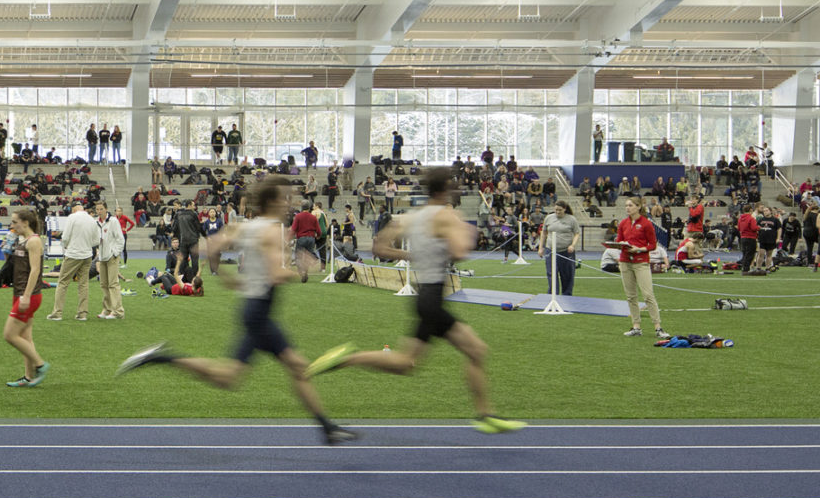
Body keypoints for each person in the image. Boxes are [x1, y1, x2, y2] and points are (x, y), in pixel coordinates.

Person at [118, 180, 357, 445]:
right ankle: (161, 357)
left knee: (250, 374)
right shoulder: (268, 232)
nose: (288, 204)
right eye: (284, 199)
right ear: (272, 203)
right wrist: (304, 266)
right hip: (259, 313)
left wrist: (226, 277)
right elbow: (275, 274)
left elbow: (208, 246)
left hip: (255, 309)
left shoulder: (250, 227)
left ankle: (327, 428)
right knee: (253, 373)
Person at [305, 167, 525, 433]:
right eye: (453, 186)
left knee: (406, 364)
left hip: (425, 297)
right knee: (476, 351)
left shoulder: (413, 216)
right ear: (444, 189)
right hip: (432, 298)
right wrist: (464, 234)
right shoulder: (447, 216)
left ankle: (349, 357)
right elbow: (460, 252)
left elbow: (379, 248)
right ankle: (486, 415)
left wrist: (413, 256)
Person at [3, 208, 48, 388]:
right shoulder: (23, 240)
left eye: (15, 222)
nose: (12, 225)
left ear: (26, 223)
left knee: (9, 335)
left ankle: (40, 364)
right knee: (25, 338)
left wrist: (27, 296)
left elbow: (35, 270)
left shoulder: (34, 241)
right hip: (20, 294)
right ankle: (29, 377)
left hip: (28, 295)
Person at [615, 197, 668, 337]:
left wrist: (639, 249)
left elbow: (652, 244)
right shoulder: (623, 223)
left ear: (638, 207)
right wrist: (620, 244)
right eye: (626, 205)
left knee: (648, 295)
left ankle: (658, 328)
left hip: (641, 262)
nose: (627, 208)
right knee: (630, 296)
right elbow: (619, 240)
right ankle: (636, 327)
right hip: (625, 261)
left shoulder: (646, 224)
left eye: (630, 205)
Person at [48, 200, 100, 322]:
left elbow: (65, 237)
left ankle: (57, 313)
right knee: (83, 284)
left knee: (63, 283)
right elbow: (97, 241)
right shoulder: (92, 220)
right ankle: (82, 313)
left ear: (73, 209)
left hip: (73, 254)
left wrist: (66, 245)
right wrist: (87, 245)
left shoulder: (72, 217)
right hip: (87, 255)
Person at [538, 199, 579, 297]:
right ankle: (552, 296)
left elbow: (577, 233)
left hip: (566, 251)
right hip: (550, 250)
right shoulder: (549, 218)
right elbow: (544, 233)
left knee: (567, 275)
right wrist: (541, 248)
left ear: (564, 209)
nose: (557, 212)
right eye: (556, 210)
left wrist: (572, 245)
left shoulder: (572, 219)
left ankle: (567, 296)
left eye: (560, 210)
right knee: (551, 273)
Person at [94, 199, 126, 320]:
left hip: (111, 256)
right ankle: (107, 309)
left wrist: (115, 253)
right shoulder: (96, 222)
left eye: (101, 209)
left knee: (113, 284)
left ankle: (118, 311)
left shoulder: (113, 221)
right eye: (97, 209)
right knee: (104, 284)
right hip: (101, 257)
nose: (99, 211)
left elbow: (120, 239)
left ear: (106, 209)